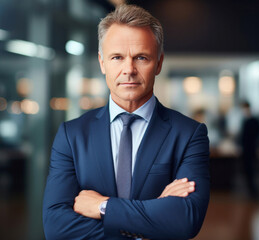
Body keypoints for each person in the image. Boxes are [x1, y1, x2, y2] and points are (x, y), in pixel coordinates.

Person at [43, 4, 210, 239]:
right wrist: (148, 224)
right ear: (102, 63)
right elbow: (56, 227)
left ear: (159, 63)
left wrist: (103, 207)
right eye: (117, 57)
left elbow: (185, 220)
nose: (129, 69)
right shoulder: (72, 135)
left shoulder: (189, 134)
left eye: (141, 57)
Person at [240, 101, 259, 198]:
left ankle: (253, 190)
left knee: (252, 170)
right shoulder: (245, 120)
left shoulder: (254, 121)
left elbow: (257, 136)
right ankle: (251, 189)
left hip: (251, 149)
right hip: (246, 149)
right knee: (247, 170)